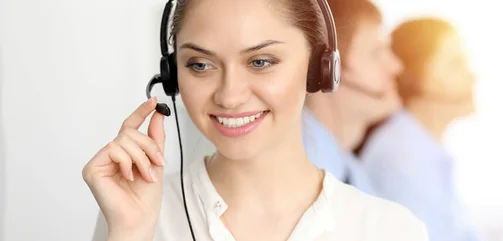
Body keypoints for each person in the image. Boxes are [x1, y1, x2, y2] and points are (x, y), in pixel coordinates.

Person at [82, 0, 428, 240]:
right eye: (200, 65)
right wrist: (131, 235)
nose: (229, 96)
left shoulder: (390, 231)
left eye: (261, 61)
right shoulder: (137, 215)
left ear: (318, 68)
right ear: (172, 76)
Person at [358, 17, 479, 241]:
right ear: (415, 78)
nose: (472, 76)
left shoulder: (423, 152)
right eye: (455, 64)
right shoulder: (403, 157)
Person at [303, 0, 402, 195]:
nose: (396, 66)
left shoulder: (351, 171)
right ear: (326, 69)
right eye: (375, 54)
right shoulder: (296, 169)